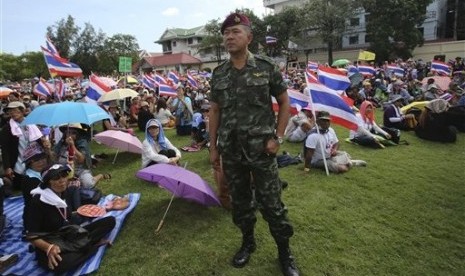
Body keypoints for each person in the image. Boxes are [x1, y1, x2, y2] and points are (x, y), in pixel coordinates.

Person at [209, 13, 299, 276]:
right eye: (225, 33)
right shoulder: (219, 73)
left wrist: (278, 138)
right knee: (240, 203)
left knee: (272, 204)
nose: (229, 37)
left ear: (249, 37)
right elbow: (214, 111)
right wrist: (213, 147)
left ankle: (285, 253)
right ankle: (248, 242)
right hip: (232, 150)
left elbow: (284, 103)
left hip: (262, 149)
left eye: (235, 32)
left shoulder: (266, 66)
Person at [24, 164, 115, 273]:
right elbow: (31, 235)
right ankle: (90, 245)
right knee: (63, 265)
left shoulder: (63, 192)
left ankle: (85, 246)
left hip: (67, 233)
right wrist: (49, 248)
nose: (62, 180)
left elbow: (66, 217)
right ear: (48, 182)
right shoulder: (38, 201)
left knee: (110, 221)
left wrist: (86, 212)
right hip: (49, 241)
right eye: (56, 178)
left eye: (64, 175)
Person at [0, 101, 45, 192]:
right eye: (10, 111)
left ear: (22, 111)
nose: (12, 113)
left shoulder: (31, 125)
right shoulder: (7, 129)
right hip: (18, 160)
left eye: (15, 110)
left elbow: (39, 140)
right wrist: (7, 167)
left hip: (33, 159)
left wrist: (45, 143)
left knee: (34, 183)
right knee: (20, 186)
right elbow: (5, 149)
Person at [54, 123, 111, 189]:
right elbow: (54, 156)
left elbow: (81, 160)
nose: (70, 135)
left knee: (88, 184)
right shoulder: (61, 142)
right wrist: (47, 148)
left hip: (80, 169)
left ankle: (100, 176)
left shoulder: (82, 142)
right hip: (63, 169)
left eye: (73, 133)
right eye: (68, 132)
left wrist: (72, 146)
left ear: (78, 134)